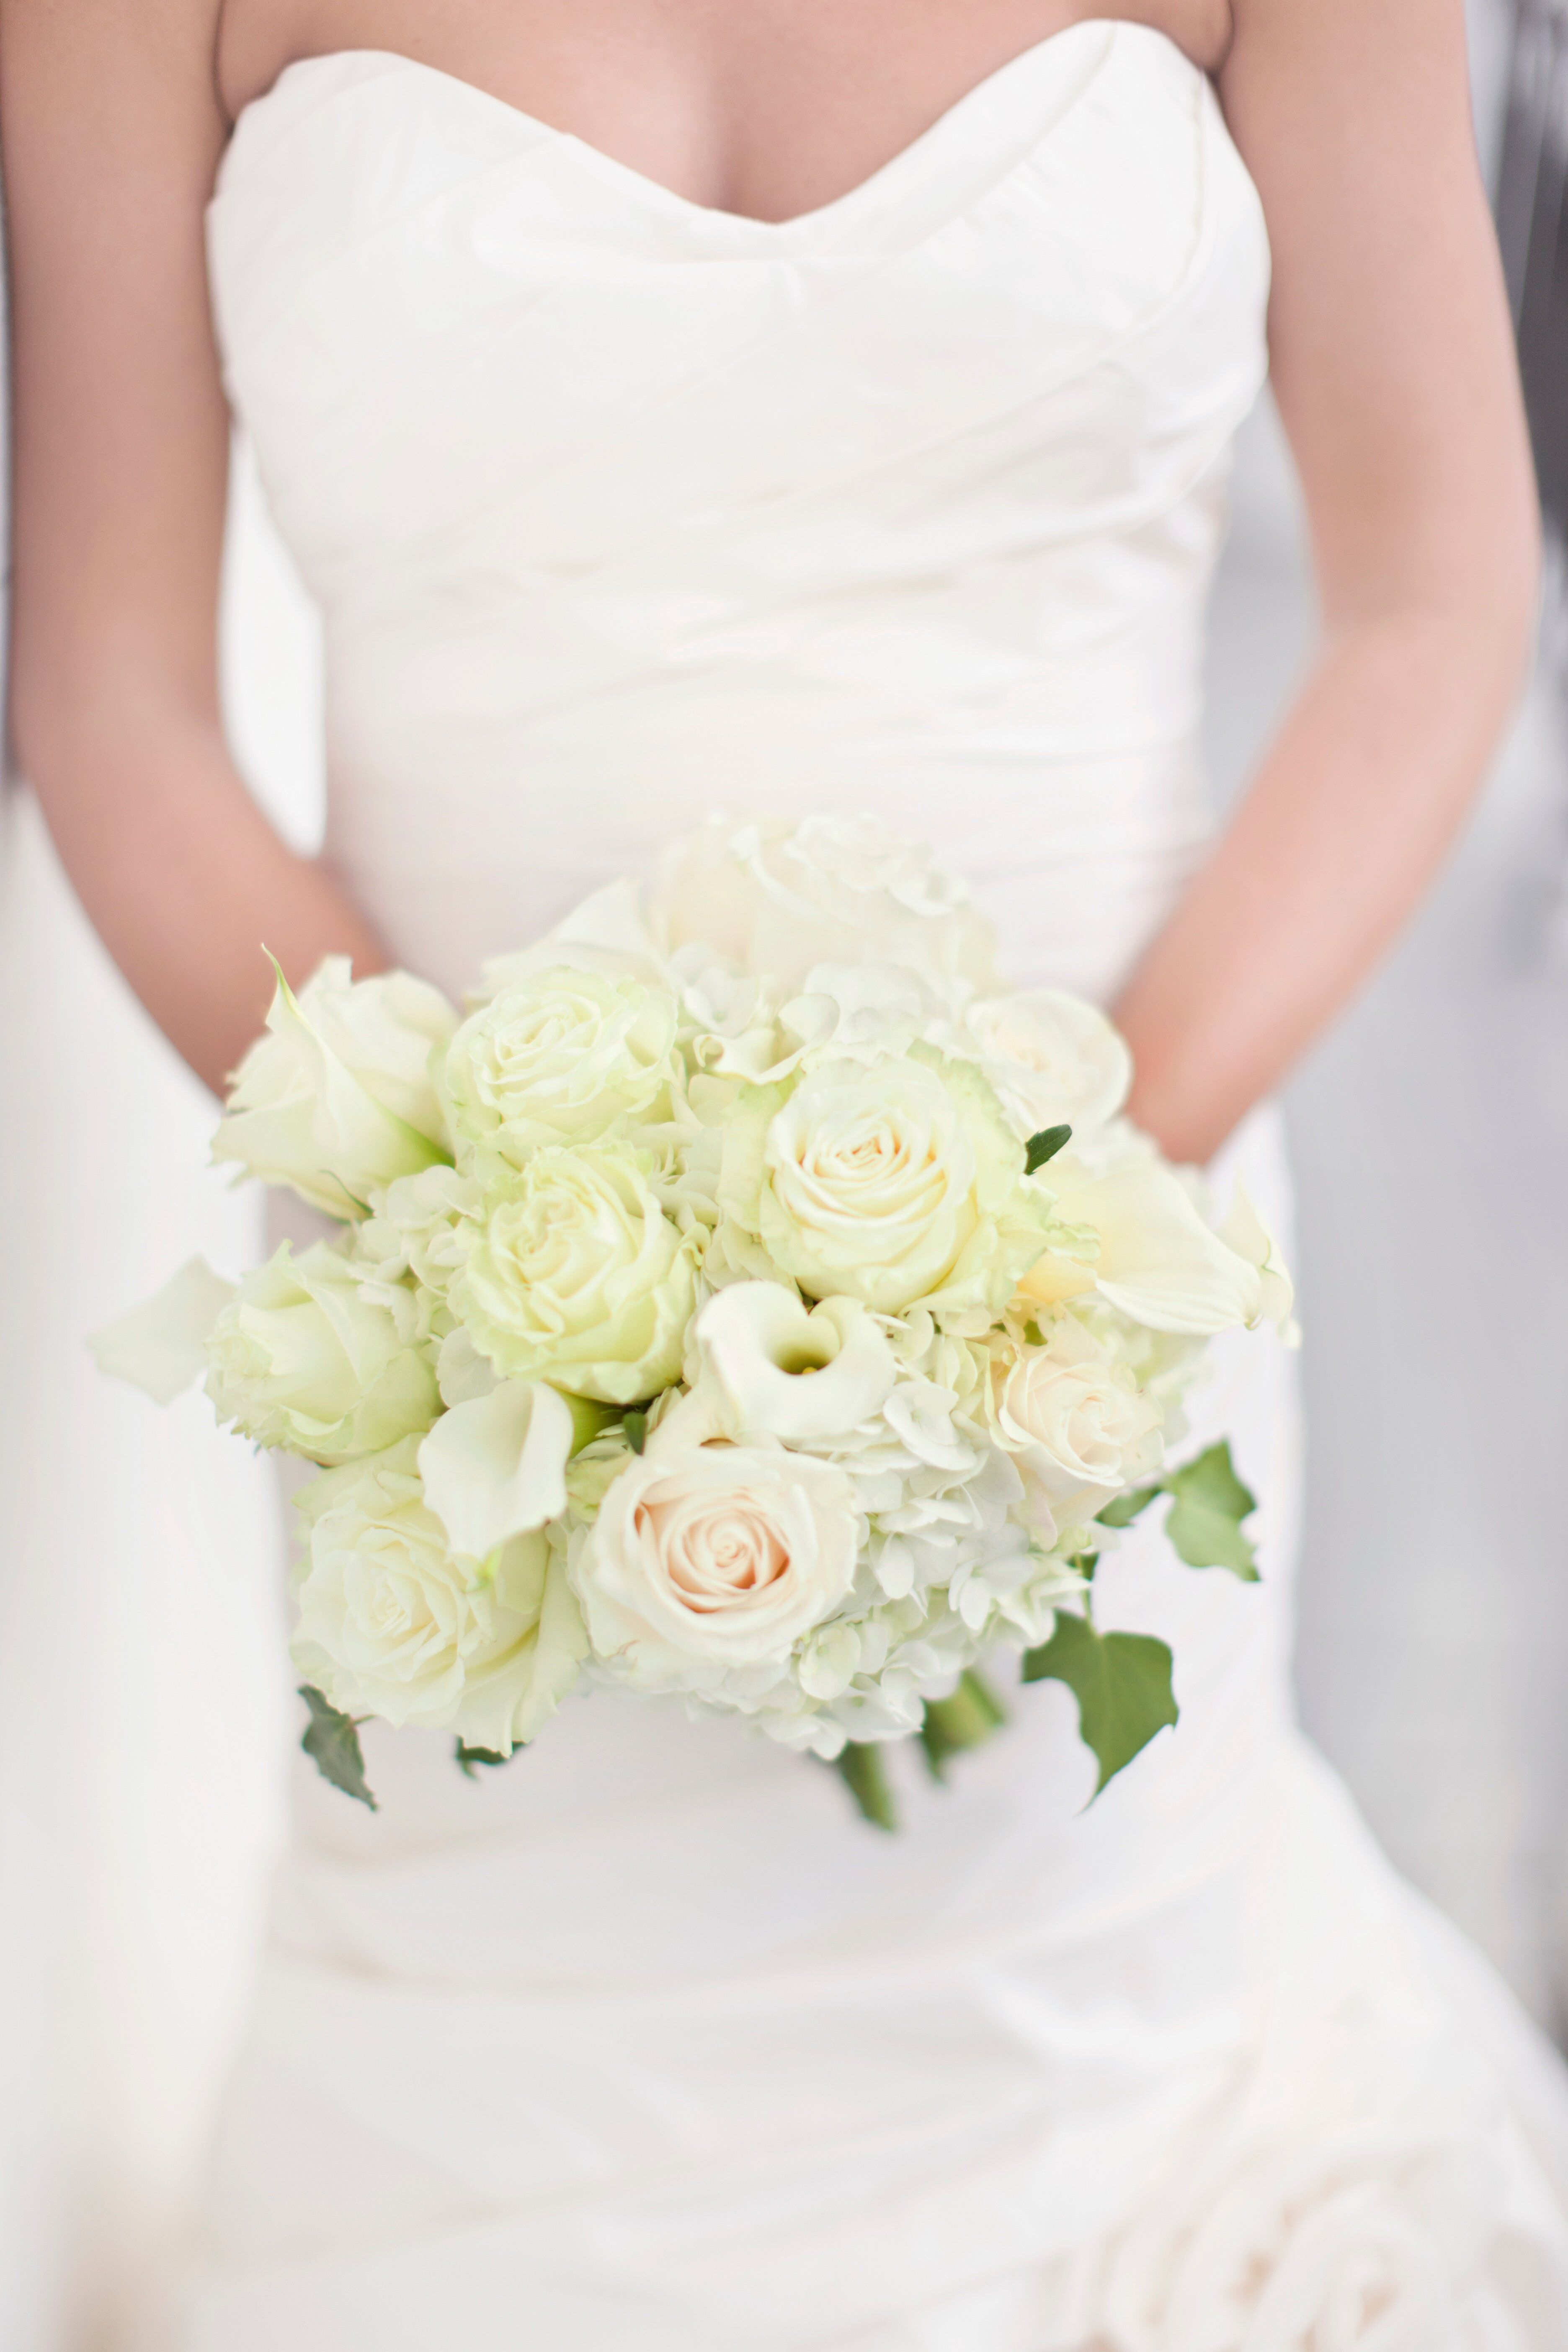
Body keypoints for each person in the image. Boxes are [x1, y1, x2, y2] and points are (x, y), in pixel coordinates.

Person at [5, 2, 1567, 2342]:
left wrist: (1036, 1241)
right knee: (510, 2124)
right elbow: (111, 686)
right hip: (465, 1374)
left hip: (1082, 1323)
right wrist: (465, 1212)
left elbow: (1437, 598)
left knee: (1067, 2064)